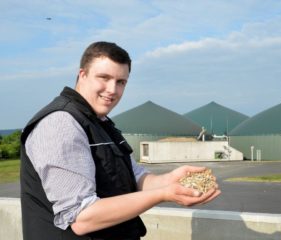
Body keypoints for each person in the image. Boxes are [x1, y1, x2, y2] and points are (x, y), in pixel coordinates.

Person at [20, 41, 221, 240]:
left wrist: (170, 180)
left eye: (120, 82)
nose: (112, 90)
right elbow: (82, 218)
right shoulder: (60, 123)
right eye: (104, 78)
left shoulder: (101, 122)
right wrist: (164, 194)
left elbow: (135, 178)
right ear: (82, 75)